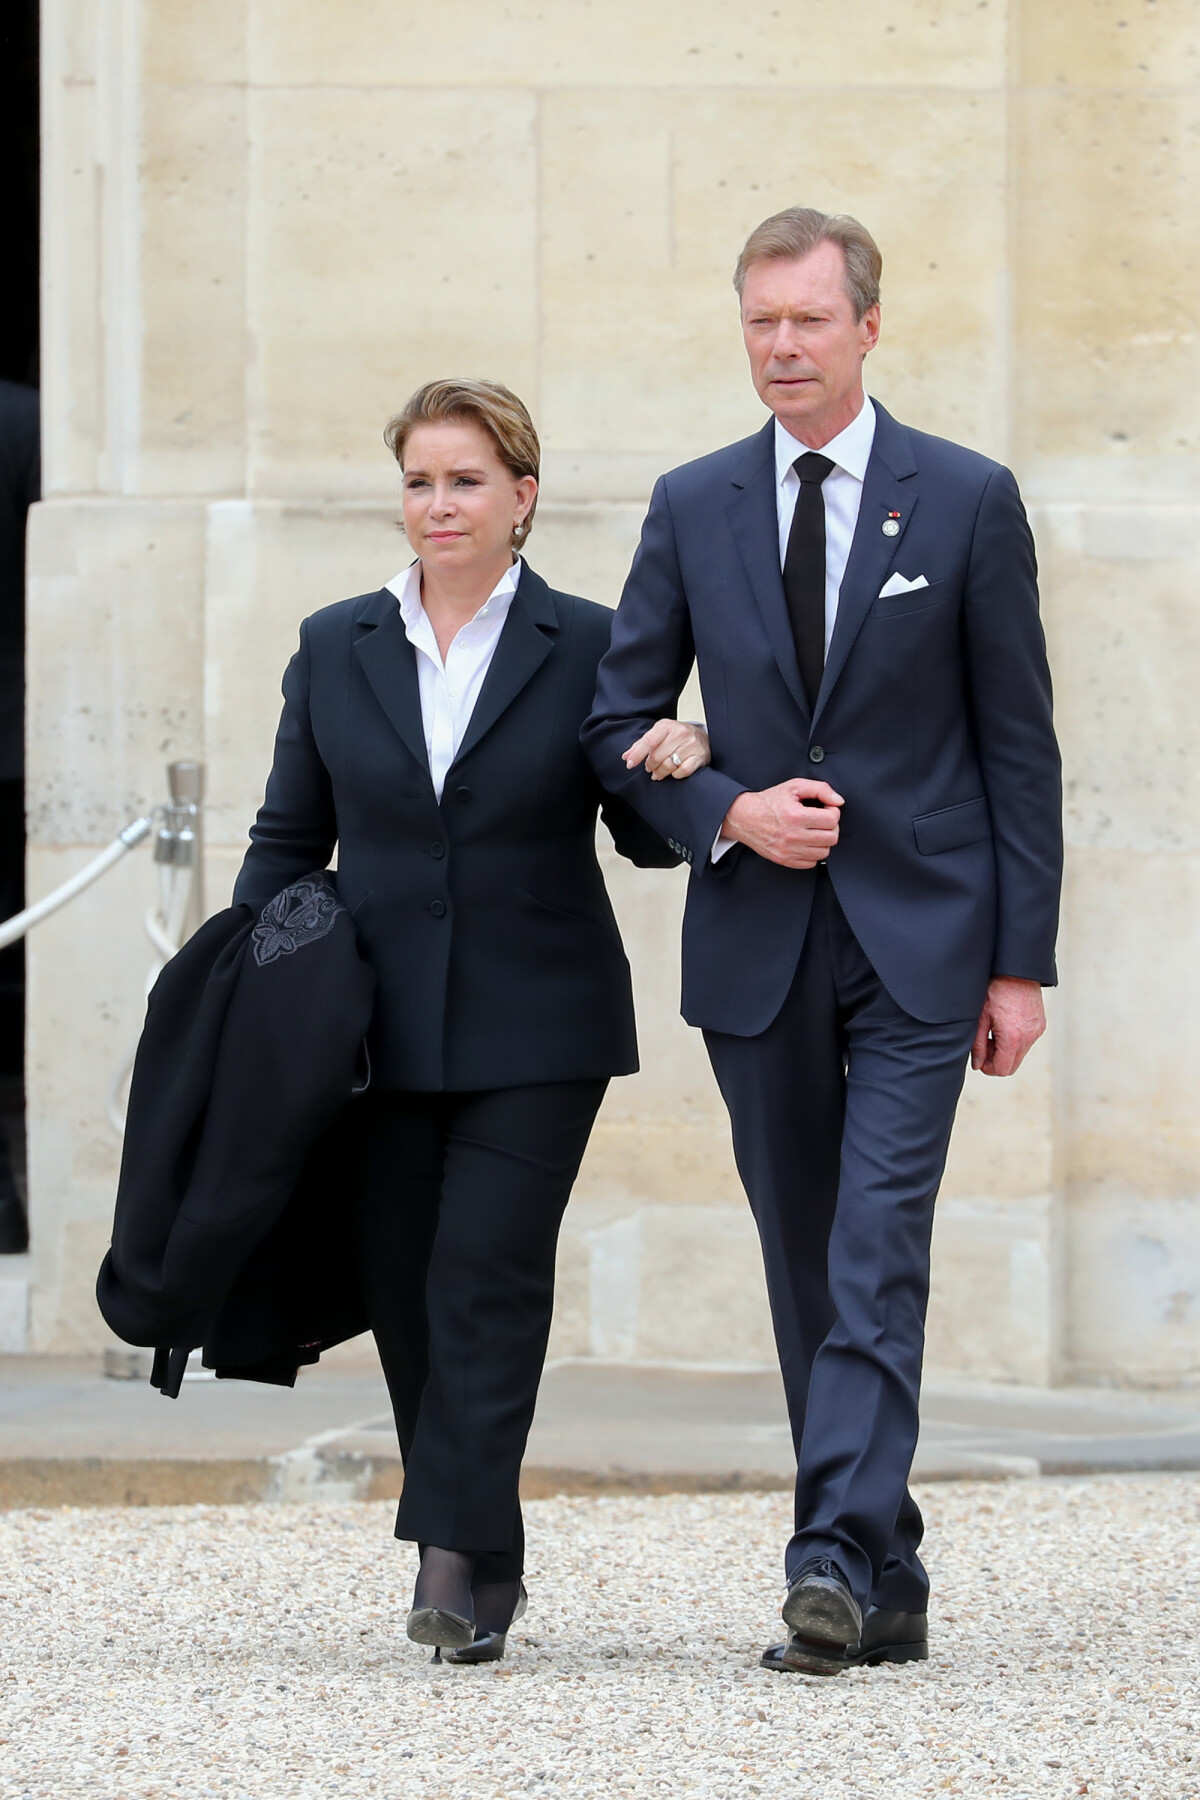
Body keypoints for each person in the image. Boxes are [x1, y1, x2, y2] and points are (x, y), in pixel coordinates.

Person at [583, 208, 1062, 1675]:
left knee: (874, 1249)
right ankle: (886, 1567)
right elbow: (613, 723)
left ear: (868, 326)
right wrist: (729, 809)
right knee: (805, 1262)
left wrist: (1021, 964)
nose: (781, 346)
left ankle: (830, 1556)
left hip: (924, 941)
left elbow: (1018, 750)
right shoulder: (693, 501)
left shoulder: (968, 500)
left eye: (806, 319)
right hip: (759, 947)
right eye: (758, 322)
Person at [232, 378, 709, 1664]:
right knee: (404, 1286)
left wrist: (678, 761)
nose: (438, 505)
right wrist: (251, 1005)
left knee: (484, 1273)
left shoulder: (597, 642)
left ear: (523, 499)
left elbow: (643, 839)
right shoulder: (337, 641)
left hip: (538, 1023)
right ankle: (485, 1540)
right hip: (373, 1025)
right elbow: (287, 838)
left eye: (466, 481)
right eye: (420, 481)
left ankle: (445, 1554)